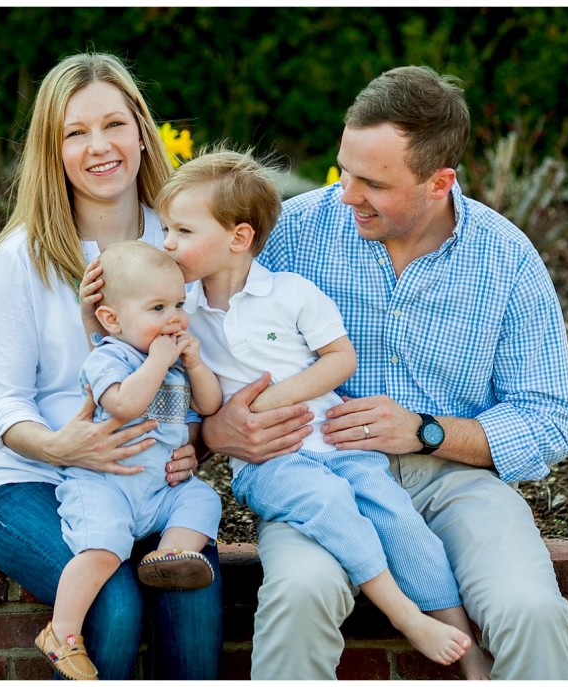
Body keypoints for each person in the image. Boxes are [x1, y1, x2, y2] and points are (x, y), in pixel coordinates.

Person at [200, 66, 568, 680]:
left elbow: (550, 419)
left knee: (532, 611)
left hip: (455, 483)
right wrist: (217, 431)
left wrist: (425, 431)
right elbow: (202, 329)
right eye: (344, 169)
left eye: (372, 182)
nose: (347, 192)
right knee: (298, 596)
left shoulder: (505, 257)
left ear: (439, 182)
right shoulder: (293, 232)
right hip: (321, 475)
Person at [155, 148, 492, 679]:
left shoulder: (289, 293)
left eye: (182, 231)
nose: (167, 244)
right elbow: (198, 403)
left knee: (399, 520)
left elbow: (341, 360)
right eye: (166, 229)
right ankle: (407, 618)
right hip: (272, 465)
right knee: (332, 505)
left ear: (238, 239)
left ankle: (469, 654)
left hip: (338, 444)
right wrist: (193, 366)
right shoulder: (182, 313)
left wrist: (269, 399)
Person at [0, 52, 222, 680]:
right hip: (23, 479)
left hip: (147, 482)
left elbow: (200, 374)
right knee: (114, 601)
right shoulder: (22, 257)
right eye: (75, 133)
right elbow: (4, 405)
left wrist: (191, 443)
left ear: (141, 129)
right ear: (52, 151)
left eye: (113, 125)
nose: (98, 146)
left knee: (188, 590)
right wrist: (60, 446)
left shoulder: (182, 241)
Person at [37, 240, 224, 679]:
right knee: (103, 550)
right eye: (157, 307)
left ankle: (171, 555)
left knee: (203, 501)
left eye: (179, 303)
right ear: (112, 319)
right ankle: (61, 633)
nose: (174, 316)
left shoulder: (176, 366)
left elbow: (211, 405)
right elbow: (125, 405)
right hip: (105, 486)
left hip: (161, 490)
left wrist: (195, 366)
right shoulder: (109, 357)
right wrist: (160, 361)